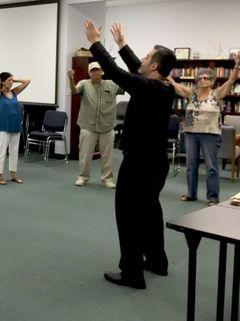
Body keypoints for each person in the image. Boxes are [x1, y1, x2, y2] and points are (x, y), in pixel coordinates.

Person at [85, 20, 177, 289]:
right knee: (150, 212)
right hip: (155, 163)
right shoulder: (163, 87)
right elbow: (136, 66)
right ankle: (157, 262)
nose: (143, 58)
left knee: (128, 217)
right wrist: (123, 44)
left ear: (156, 67)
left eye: (148, 57)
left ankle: (132, 273)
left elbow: (114, 71)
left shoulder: (148, 88)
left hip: (139, 164)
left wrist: (95, 43)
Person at [168, 58, 239, 206]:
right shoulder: (191, 94)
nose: (202, 79)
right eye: (199, 78)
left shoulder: (216, 94)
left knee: (211, 166)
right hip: (190, 134)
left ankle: (213, 197)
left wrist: (237, 64)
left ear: (212, 81)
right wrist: (165, 72)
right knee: (191, 165)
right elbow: (174, 84)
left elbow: (231, 80)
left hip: (210, 134)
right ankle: (191, 194)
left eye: (206, 77)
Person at [68, 62, 124, 188]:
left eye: (97, 70)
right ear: (89, 73)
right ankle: (82, 177)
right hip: (88, 125)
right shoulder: (84, 84)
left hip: (107, 125)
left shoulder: (111, 84)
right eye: (92, 70)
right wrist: (71, 79)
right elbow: (74, 91)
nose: (95, 72)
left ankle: (107, 179)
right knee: (85, 154)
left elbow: (125, 87)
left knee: (107, 155)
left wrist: (118, 72)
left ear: (102, 71)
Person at [0, 72, 30, 185]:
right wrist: (2, 82)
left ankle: (13, 174)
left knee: (14, 152)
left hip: (15, 126)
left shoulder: (14, 92)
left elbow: (27, 81)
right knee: (2, 151)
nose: (11, 82)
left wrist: (15, 80)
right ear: (3, 81)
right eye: (9, 80)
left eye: (11, 80)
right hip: (3, 126)